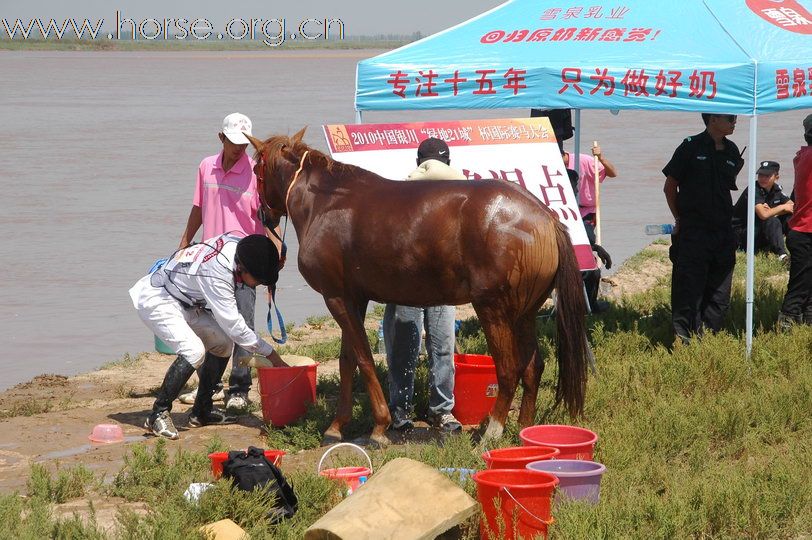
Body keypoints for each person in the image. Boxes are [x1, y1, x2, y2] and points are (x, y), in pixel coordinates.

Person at [130, 234, 288, 440]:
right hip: (159, 299)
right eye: (257, 280)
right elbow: (236, 328)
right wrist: (273, 356)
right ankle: (157, 414)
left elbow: (230, 333)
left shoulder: (237, 245)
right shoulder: (217, 274)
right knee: (194, 351)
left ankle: (201, 411)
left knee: (222, 344)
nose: (257, 284)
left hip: (186, 300)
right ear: (242, 269)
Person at [177, 113, 269, 412]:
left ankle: (239, 388)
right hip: (208, 263)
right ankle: (210, 385)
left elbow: (269, 217)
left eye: (244, 144)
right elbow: (198, 208)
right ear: (221, 138)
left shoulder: (257, 172)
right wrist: (183, 245)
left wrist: (273, 255)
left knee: (242, 325)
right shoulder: (206, 167)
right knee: (206, 326)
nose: (239, 149)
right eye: (233, 143)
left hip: (242, 264)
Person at [383, 138, 463, 433]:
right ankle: (400, 409)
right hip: (407, 284)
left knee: (443, 347)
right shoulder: (401, 199)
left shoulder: (457, 199)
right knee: (404, 349)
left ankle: (441, 411)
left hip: (443, 285)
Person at [663, 113, 745, 343]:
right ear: (713, 119)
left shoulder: (732, 150)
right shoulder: (690, 146)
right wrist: (679, 219)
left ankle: (708, 340)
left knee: (719, 294)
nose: (734, 121)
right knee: (689, 290)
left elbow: (727, 186)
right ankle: (684, 341)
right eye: (729, 117)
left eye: (735, 117)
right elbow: (670, 187)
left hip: (723, 232)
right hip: (694, 231)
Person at [778, 114, 812, 328]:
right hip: (805, 230)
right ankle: (787, 323)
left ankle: (805, 324)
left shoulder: (803, 155)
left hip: (801, 229)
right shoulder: (808, 156)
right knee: (800, 285)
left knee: (807, 285)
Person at [731, 160, 793, 262]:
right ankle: (782, 256)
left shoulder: (776, 190)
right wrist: (780, 208)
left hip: (760, 230)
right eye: (760, 175)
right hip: (744, 235)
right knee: (771, 220)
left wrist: (773, 210)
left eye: (767, 176)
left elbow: (792, 207)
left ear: (776, 177)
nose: (763, 178)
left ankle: (795, 249)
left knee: (788, 217)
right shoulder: (753, 190)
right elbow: (764, 215)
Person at [562, 143, 618, 227]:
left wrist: (600, 158)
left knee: (588, 237)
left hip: (587, 210)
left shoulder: (582, 160)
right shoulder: (549, 167)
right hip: (565, 211)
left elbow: (613, 173)